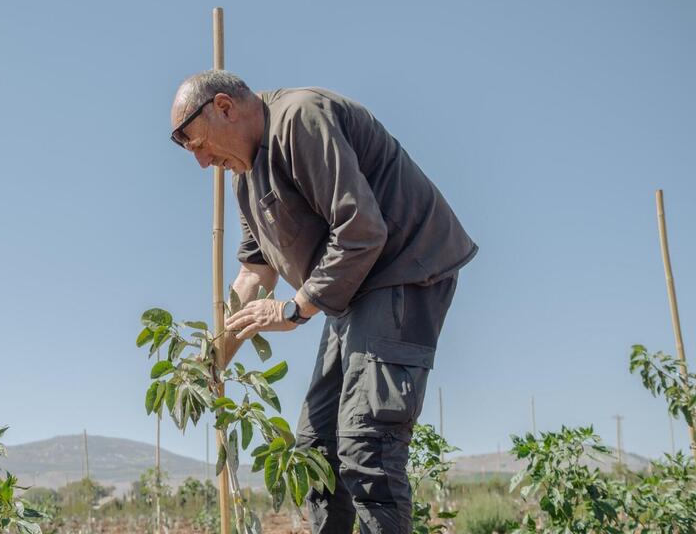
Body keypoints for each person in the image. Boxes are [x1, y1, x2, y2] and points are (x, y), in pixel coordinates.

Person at [169, 70, 477, 534]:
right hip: (350, 294)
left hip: (402, 272)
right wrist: (210, 361)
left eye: (197, 145)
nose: (202, 162)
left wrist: (296, 309)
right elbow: (255, 273)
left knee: (367, 443)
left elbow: (361, 230)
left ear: (224, 108)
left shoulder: (299, 119)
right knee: (315, 451)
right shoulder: (245, 180)